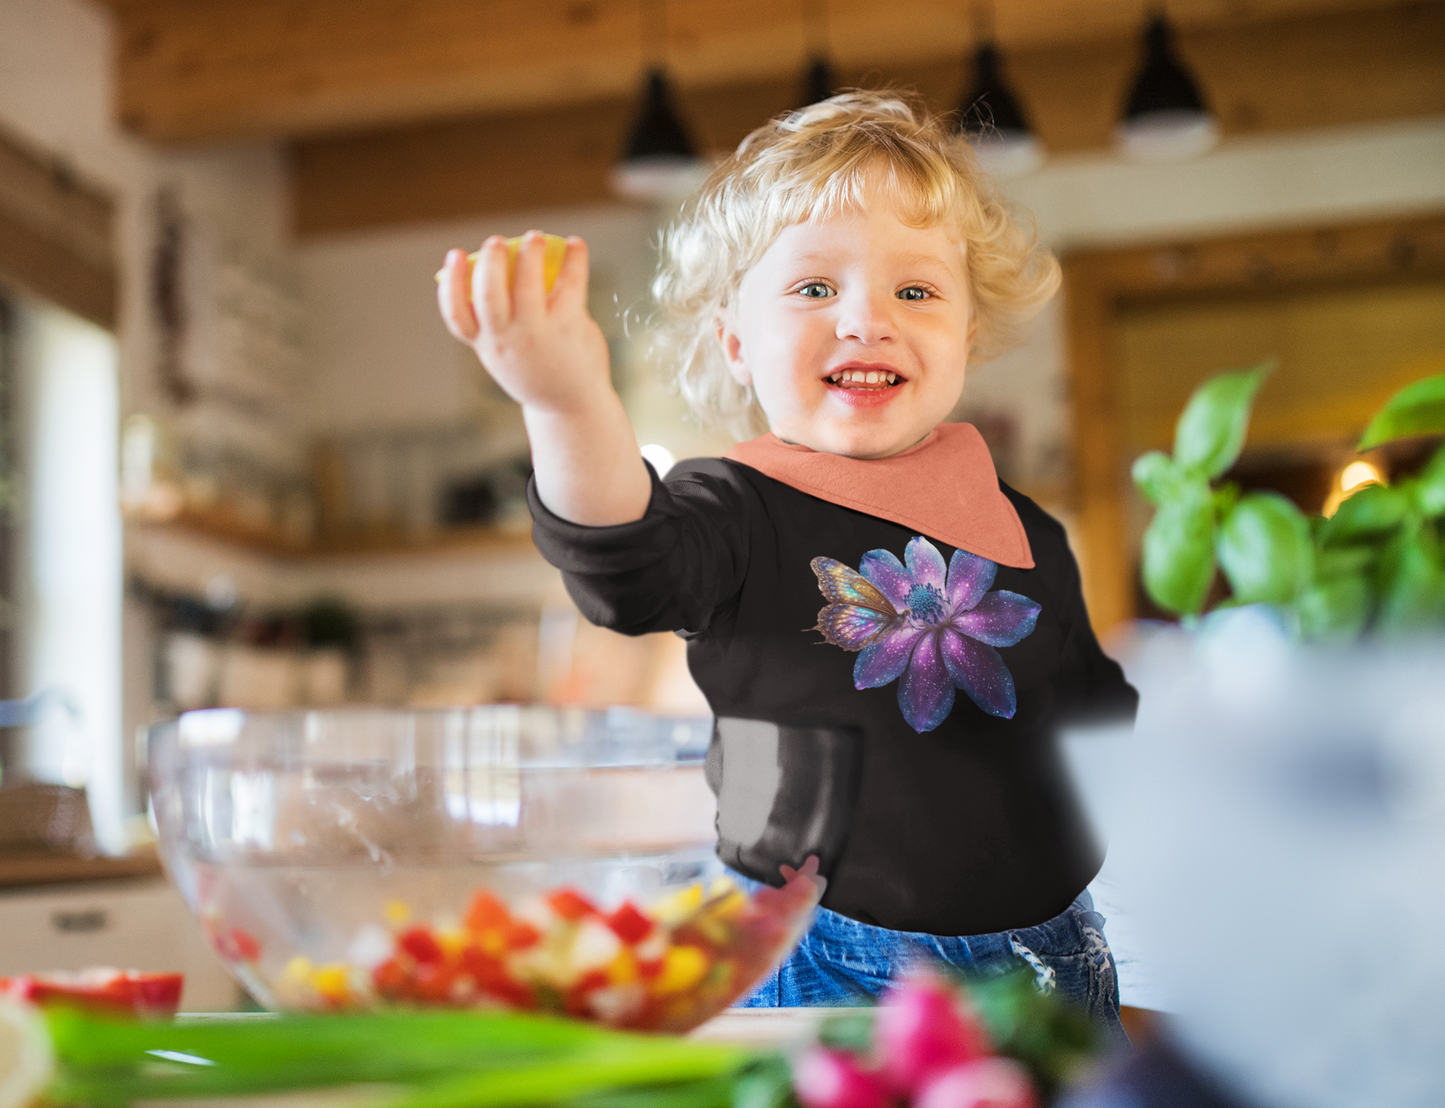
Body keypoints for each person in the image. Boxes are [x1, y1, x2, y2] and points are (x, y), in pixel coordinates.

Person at [437, 91, 1137, 1036]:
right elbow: (622, 564)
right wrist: (566, 405)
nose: (866, 321)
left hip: (1045, 960)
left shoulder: (1027, 530)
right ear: (734, 340)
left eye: (916, 291)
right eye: (813, 289)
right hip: (815, 957)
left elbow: (1096, 722)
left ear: (967, 334)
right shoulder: (735, 506)